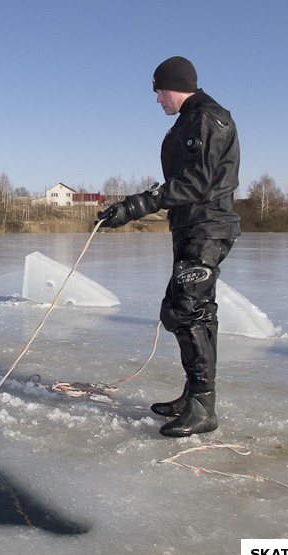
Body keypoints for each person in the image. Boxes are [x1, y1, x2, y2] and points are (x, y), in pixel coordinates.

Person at [96, 56, 240, 437]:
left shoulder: (207, 118)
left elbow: (196, 181)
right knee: (195, 311)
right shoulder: (193, 119)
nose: (157, 99)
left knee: (184, 310)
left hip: (206, 229)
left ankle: (202, 406)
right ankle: (195, 395)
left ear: (174, 85)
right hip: (194, 228)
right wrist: (132, 206)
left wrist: (138, 205)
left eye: (159, 90)